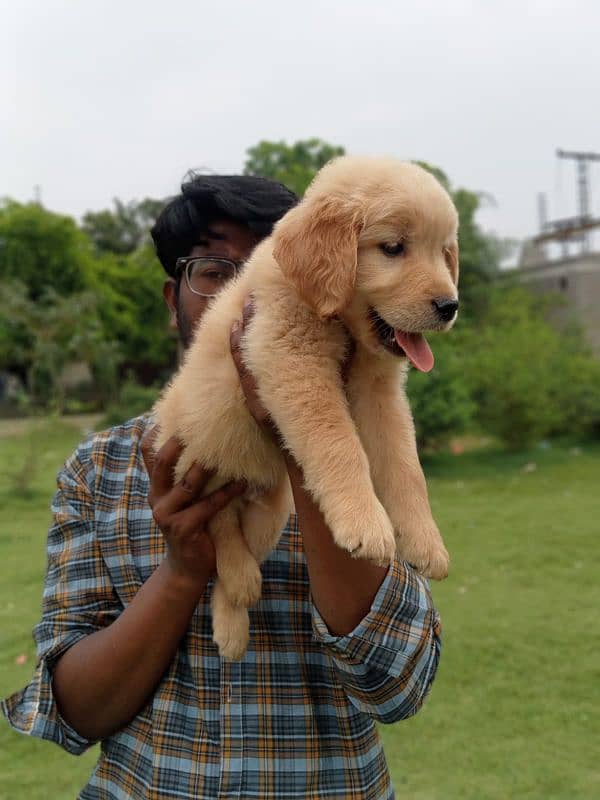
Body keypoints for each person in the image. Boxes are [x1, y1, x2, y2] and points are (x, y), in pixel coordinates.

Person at [2, 173, 442, 799]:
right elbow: (75, 711)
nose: (246, 294)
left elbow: (397, 683)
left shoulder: (368, 452)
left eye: (266, 265)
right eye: (214, 271)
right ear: (171, 298)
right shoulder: (100, 469)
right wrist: (183, 569)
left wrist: (302, 439)